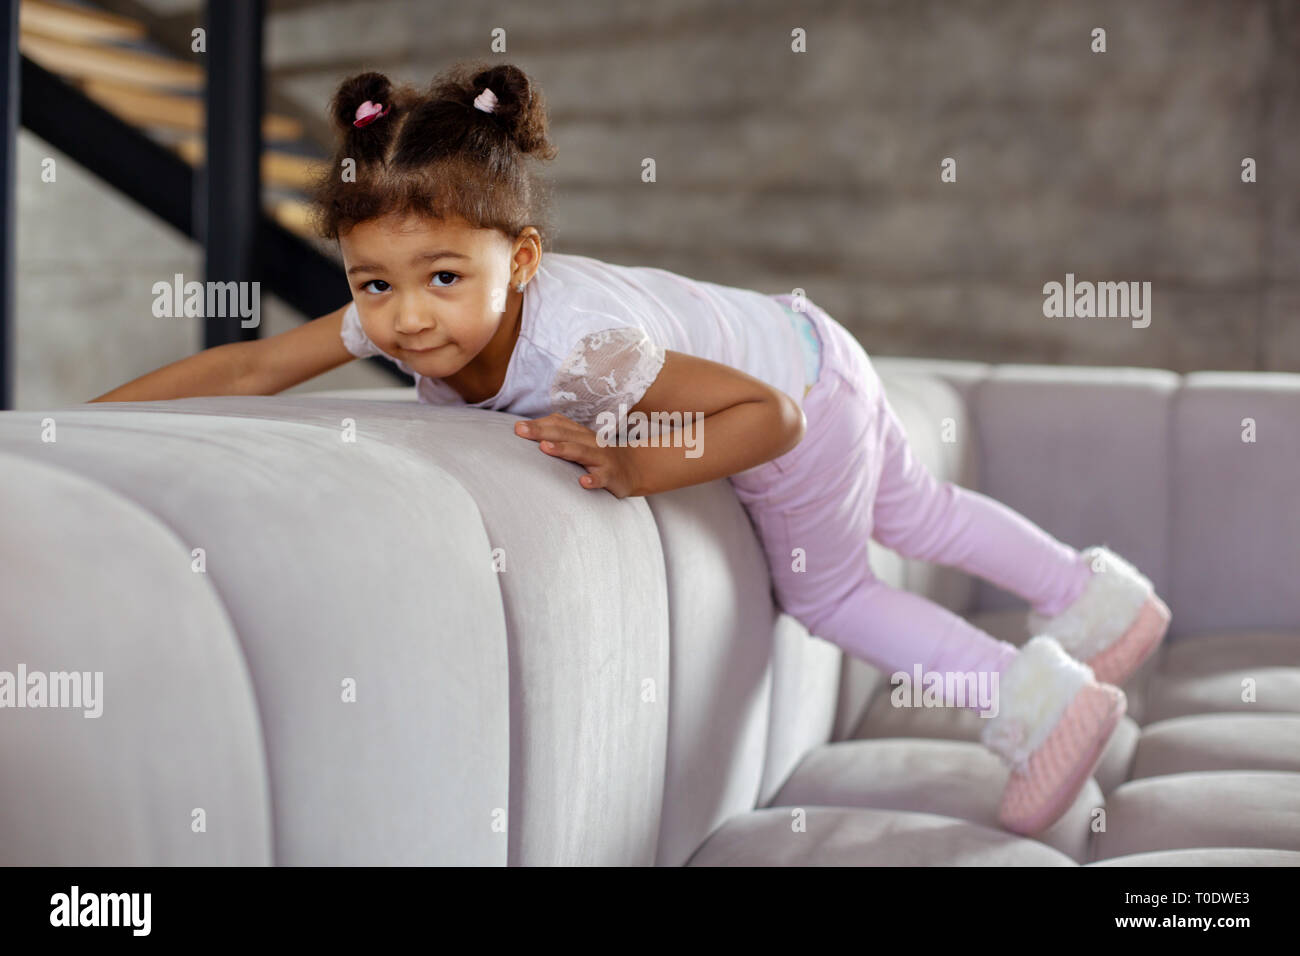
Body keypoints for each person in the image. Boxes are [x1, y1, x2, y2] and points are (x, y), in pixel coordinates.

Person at [90, 61, 1171, 837]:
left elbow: (768, 419)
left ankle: (1041, 706)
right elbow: (247, 368)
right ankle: (1095, 599)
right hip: (809, 336)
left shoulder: (581, 349)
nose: (408, 318)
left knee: (831, 596)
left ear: (518, 260)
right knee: (916, 509)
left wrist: (641, 467)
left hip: (798, 387)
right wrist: (84, 420)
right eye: (376, 280)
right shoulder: (390, 315)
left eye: (443, 279)